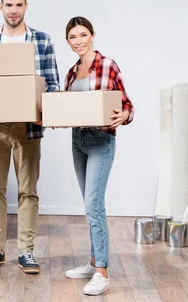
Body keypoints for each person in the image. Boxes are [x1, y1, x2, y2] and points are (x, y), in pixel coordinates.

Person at [0, 0, 60, 274]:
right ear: (1, 7)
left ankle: (26, 252)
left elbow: (53, 85)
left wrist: (44, 111)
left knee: (28, 192)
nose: (13, 10)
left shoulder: (42, 41)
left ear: (26, 6)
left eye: (19, 5)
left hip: (28, 128)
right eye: (9, 5)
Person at [62, 16, 134, 295]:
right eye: (72, 37)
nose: (78, 41)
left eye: (83, 35)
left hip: (101, 140)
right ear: (68, 41)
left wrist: (125, 115)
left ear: (93, 35)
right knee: (89, 203)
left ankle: (102, 271)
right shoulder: (71, 73)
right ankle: (93, 262)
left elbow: (127, 104)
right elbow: (69, 108)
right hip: (77, 140)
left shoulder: (107, 65)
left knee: (94, 203)